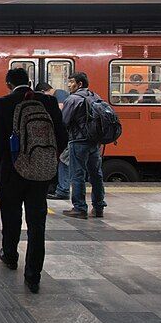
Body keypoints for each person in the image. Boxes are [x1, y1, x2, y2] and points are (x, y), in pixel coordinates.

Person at [0, 68, 67, 293]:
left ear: (8, 83)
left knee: (11, 217)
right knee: (37, 223)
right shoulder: (49, 102)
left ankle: (10, 256)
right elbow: (61, 137)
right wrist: (47, 163)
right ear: (30, 82)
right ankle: (33, 275)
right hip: (40, 173)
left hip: (11, 172)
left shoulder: (2, 103)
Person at [61, 72, 108, 219]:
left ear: (79, 84)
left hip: (78, 141)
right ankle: (99, 206)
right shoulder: (95, 96)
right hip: (94, 141)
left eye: (71, 82)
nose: (69, 85)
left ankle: (80, 208)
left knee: (77, 174)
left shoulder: (73, 99)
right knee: (96, 174)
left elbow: (64, 122)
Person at [35, 83, 70, 201]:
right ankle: (60, 188)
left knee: (63, 160)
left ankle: (62, 189)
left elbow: (60, 113)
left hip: (67, 134)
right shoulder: (62, 93)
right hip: (66, 134)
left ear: (45, 91)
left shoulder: (58, 94)